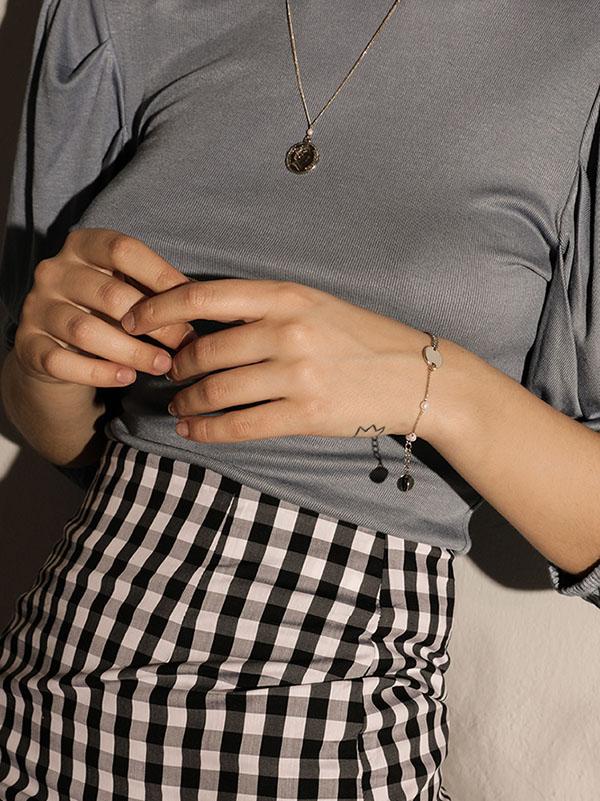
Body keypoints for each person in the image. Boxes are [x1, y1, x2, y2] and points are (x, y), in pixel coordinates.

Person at [1, 1, 599, 799]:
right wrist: (47, 367)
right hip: (42, 714)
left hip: (324, 741)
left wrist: (431, 384)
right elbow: (60, 432)